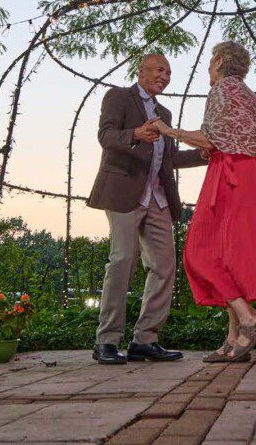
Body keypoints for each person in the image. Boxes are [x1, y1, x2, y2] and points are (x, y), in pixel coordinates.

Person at [152, 40, 256, 363]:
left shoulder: (222, 90)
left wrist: (167, 130)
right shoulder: (252, 98)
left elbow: (209, 139)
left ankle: (251, 320)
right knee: (233, 257)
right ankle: (234, 341)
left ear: (219, 61)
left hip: (231, 172)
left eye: (210, 62)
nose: (209, 68)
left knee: (199, 252)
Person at [87, 53, 208, 364]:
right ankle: (108, 341)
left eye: (168, 72)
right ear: (140, 72)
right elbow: (105, 136)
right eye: (158, 70)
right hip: (124, 193)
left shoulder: (164, 111)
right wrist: (136, 135)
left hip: (158, 199)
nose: (164, 76)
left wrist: (203, 155)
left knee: (165, 266)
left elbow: (170, 159)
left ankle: (145, 340)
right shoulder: (119, 97)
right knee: (122, 260)